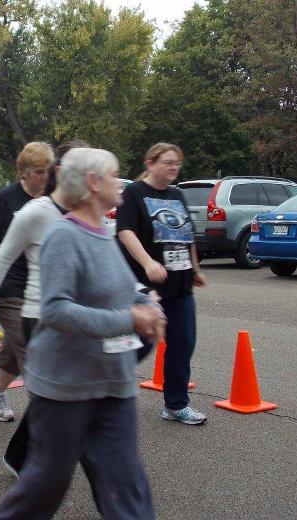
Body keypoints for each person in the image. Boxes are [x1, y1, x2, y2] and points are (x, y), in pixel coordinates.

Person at [0, 148, 164, 520]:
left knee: (127, 484)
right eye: (114, 175)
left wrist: (144, 302)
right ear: (93, 182)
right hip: (65, 385)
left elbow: (118, 290)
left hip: (113, 383)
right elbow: (56, 310)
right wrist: (129, 318)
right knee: (46, 483)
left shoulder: (104, 232)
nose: (121, 183)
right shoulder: (64, 236)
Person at [116, 142, 208, 426]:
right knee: (139, 344)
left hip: (180, 285)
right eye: (168, 162)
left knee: (183, 344)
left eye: (177, 163)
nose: (173, 168)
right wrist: (148, 263)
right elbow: (126, 232)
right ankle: (100, 386)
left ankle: (176, 405)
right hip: (147, 287)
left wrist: (195, 269)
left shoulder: (177, 194)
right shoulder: (134, 192)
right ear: (150, 163)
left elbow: (187, 234)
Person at [0, 142, 54, 423]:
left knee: (17, 348)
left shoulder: (52, 200)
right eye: (39, 172)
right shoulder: (5, 200)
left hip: (39, 287)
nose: (45, 177)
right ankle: (45, 419)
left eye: (48, 171)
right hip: (7, 286)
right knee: (31, 347)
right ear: (23, 172)